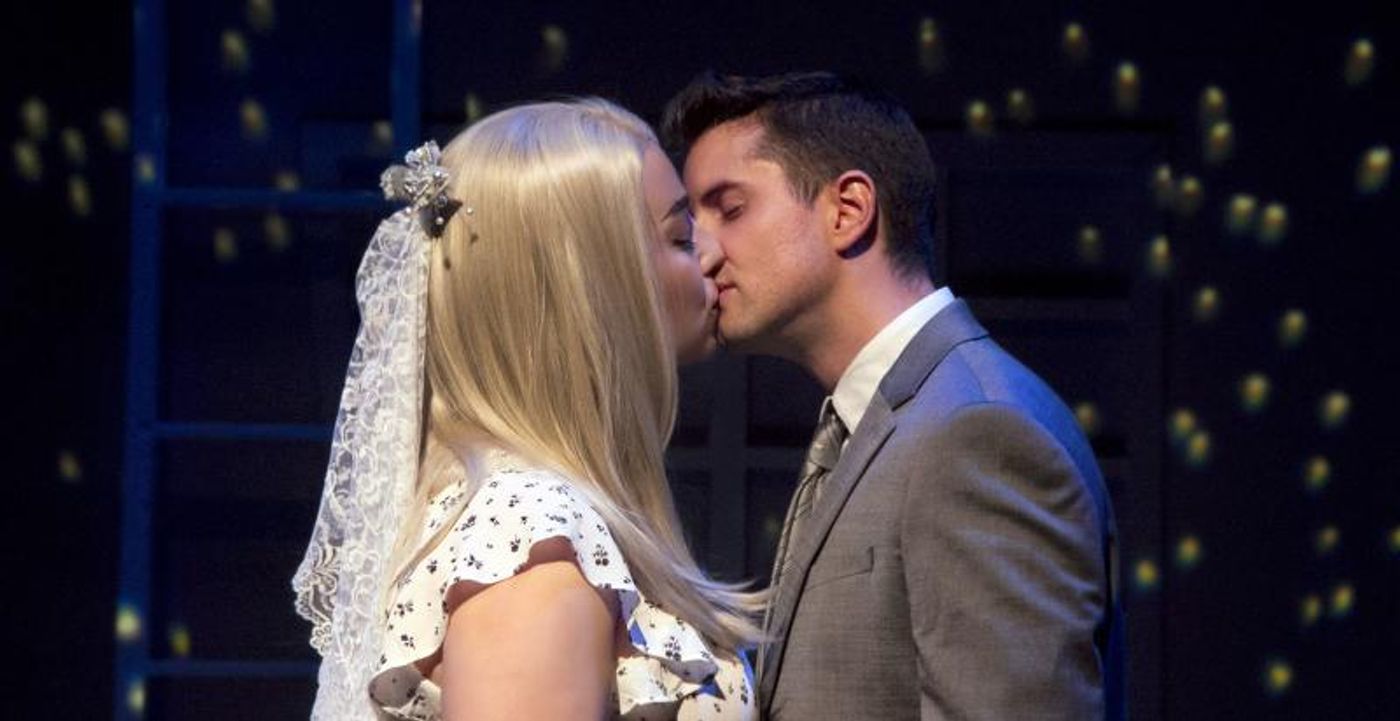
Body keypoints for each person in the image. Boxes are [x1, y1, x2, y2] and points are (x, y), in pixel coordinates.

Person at [662, 72, 1123, 720]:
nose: (701, 253)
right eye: (692, 220)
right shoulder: (879, 425)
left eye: (730, 209)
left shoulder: (978, 432)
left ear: (848, 209)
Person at [292, 98, 763, 721]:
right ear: (588, 285)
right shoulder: (533, 541)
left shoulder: (535, 518)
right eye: (679, 236)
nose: (710, 254)